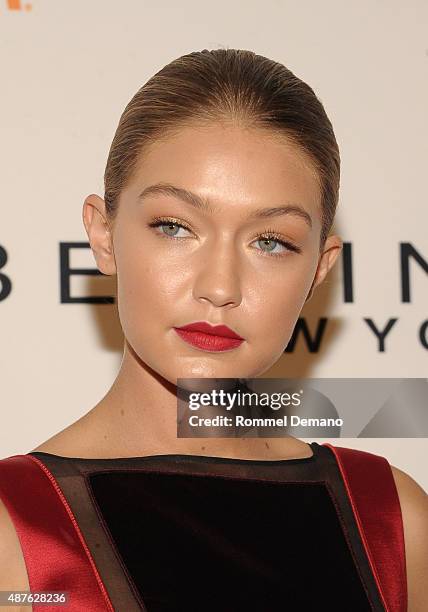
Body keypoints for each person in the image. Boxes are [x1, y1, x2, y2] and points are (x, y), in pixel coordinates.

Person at [0, 48, 427, 611]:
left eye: (270, 242)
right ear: (103, 235)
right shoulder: (16, 530)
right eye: (175, 227)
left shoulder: (394, 520)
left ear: (319, 268)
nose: (220, 286)